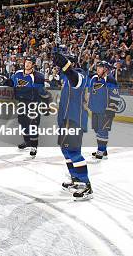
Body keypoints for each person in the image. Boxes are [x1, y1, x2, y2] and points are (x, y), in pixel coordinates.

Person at [53, 51, 93, 200]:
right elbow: (65, 75)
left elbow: (73, 77)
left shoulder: (80, 75)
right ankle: (75, 179)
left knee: (74, 151)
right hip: (64, 119)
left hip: (75, 119)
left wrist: (65, 66)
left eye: (65, 62)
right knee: (65, 150)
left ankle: (86, 185)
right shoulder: (66, 77)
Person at [5, 56, 50, 157]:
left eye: (30, 62)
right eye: (26, 62)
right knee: (22, 122)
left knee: (33, 124)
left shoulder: (38, 76)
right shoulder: (18, 73)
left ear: (33, 64)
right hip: (21, 101)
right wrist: (8, 82)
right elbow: (13, 82)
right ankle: (27, 141)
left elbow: (41, 91)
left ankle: (34, 146)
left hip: (33, 103)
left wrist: (45, 104)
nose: (27, 64)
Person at [88, 60, 121, 161]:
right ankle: (103, 150)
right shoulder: (94, 78)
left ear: (106, 69)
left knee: (103, 130)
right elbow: (90, 90)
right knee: (97, 129)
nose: (98, 69)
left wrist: (111, 110)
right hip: (95, 109)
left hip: (105, 110)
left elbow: (115, 96)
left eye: (100, 67)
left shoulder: (110, 80)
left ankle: (101, 150)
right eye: (97, 67)